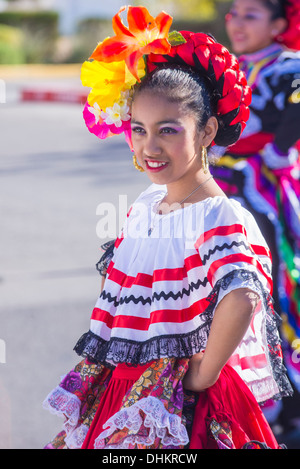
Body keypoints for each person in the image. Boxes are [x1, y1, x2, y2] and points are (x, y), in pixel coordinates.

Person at [43, 6, 292, 449]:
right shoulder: (147, 203)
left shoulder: (218, 213)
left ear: (208, 130)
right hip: (123, 384)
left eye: (169, 131)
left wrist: (204, 372)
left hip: (180, 402)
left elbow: (241, 295)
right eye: (139, 129)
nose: (149, 146)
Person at [210, 0, 300, 439]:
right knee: (220, 296)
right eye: (234, 14)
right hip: (220, 191)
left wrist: (279, 146)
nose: (237, 23)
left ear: (280, 23)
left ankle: (288, 403)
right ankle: (235, 400)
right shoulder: (224, 67)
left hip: (265, 194)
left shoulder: (290, 66)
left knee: (273, 289)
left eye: (251, 15)